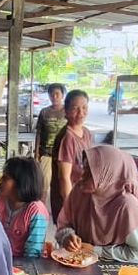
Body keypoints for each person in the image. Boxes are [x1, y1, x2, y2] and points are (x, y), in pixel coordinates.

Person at [55, 145, 138, 264]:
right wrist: (67, 237)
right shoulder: (80, 192)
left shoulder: (128, 207)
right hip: (79, 265)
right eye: (83, 168)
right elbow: (63, 225)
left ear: (107, 175)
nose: (82, 175)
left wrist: (97, 251)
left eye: (90, 173)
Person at [0, 156, 49, 258]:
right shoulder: (0, 200)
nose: (0, 180)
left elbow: (33, 253)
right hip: (0, 258)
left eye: (6, 178)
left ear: (21, 183)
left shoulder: (36, 211)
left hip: (25, 264)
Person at [50, 89, 94, 219]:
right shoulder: (67, 138)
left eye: (84, 108)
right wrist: (70, 207)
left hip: (83, 198)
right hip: (69, 201)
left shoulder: (86, 133)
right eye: (75, 109)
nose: (81, 113)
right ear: (66, 111)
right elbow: (64, 178)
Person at [34, 83, 67, 204]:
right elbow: (39, 133)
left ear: (62, 95)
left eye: (57, 94)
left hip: (63, 155)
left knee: (62, 183)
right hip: (46, 154)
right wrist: (36, 153)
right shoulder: (44, 112)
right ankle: (41, 208)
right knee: (44, 184)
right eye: (52, 94)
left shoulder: (67, 112)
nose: (55, 97)